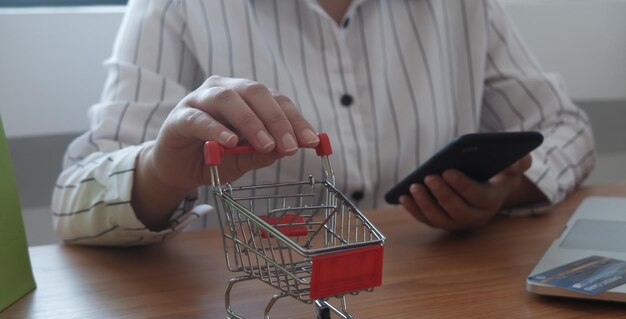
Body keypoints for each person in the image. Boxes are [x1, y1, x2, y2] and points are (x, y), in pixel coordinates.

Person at [52, 0, 595, 246]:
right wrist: (159, 171)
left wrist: (507, 187)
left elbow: (565, 127)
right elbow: (73, 201)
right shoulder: (177, 7)